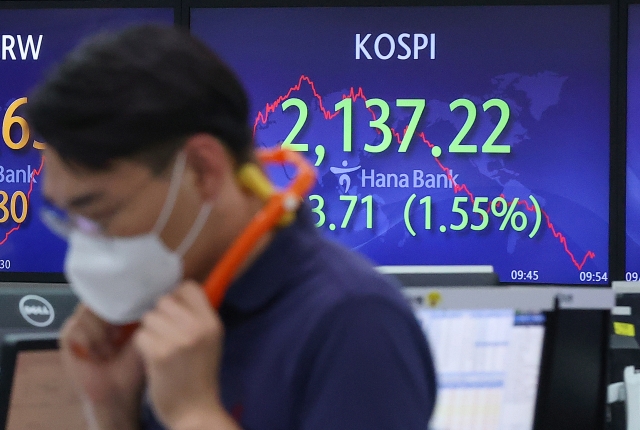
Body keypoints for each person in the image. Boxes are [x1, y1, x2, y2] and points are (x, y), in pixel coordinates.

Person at [27, 24, 436, 430]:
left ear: (203, 170)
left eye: (99, 213)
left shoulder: (354, 322)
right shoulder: (171, 308)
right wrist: (113, 409)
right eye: (70, 219)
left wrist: (195, 415)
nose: (84, 247)